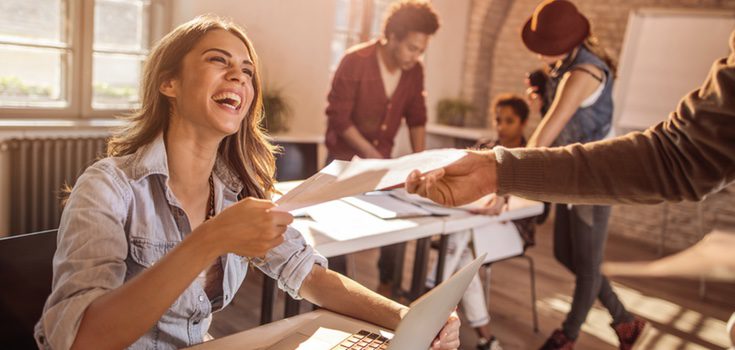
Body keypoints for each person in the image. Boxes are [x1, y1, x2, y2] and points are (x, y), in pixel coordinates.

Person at [34, 15, 461, 350]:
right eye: (218, 60)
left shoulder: (236, 190)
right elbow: (80, 341)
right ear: (169, 82)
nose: (239, 76)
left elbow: (308, 274)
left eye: (248, 71)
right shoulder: (108, 188)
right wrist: (210, 239)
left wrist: (408, 319)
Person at [404, 21, 735, 350]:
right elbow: (679, 155)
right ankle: (625, 320)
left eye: (542, 45)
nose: (538, 53)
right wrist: (498, 170)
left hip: (593, 190)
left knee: (588, 265)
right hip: (575, 182)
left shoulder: (582, 73)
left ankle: (569, 334)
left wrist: (501, 175)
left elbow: (549, 131)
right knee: (567, 254)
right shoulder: (565, 70)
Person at [324, 0, 440, 297]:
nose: (416, 56)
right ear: (392, 38)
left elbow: (417, 117)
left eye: (422, 50)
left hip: (382, 167)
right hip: (343, 165)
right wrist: (372, 155)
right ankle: (337, 296)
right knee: (337, 236)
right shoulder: (355, 60)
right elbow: (338, 118)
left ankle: (387, 289)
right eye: (412, 48)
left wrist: (423, 163)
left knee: (397, 228)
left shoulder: (414, 72)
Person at [425, 95, 530, 350]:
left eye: (509, 121)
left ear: (523, 123)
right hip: (476, 224)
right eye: (498, 120)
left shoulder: (530, 154)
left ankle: (426, 293)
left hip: (511, 228)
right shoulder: (485, 147)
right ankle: (486, 338)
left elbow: (538, 211)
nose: (502, 126)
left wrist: (504, 198)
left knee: (461, 239)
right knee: (465, 261)